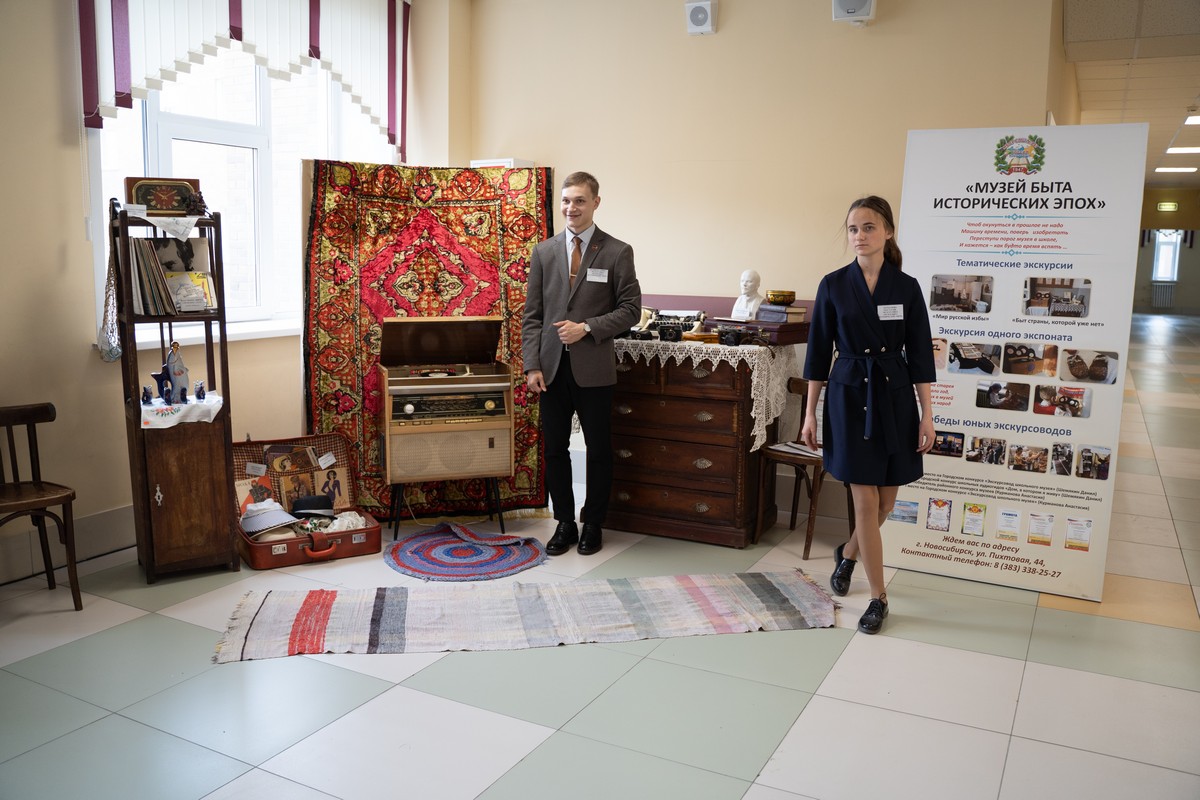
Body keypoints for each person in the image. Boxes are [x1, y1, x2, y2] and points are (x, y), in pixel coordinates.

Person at [800, 196, 935, 634]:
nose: (859, 236)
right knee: (865, 499)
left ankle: (848, 554)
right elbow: (817, 355)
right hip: (848, 396)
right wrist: (810, 414)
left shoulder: (906, 287)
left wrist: (927, 414)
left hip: (894, 397)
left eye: (869, 227)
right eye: (853, 229)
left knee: (887, 501)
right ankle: (879, 598)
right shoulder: (833, 285)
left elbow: (920, 355)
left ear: (888, 232)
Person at [522, 172, 642, 556]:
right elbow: (532, 315)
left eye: (579, 201)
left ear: (595, 203)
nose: (570, 208)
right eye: (566, 200)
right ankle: (564, 523)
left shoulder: (617, 251)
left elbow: (631, 310)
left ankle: (593, 523)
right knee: (554, 450)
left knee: (598, 450)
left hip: (594, 370)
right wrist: (532, 365)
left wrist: (587, 327)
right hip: (551, 370)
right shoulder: (543, 252)